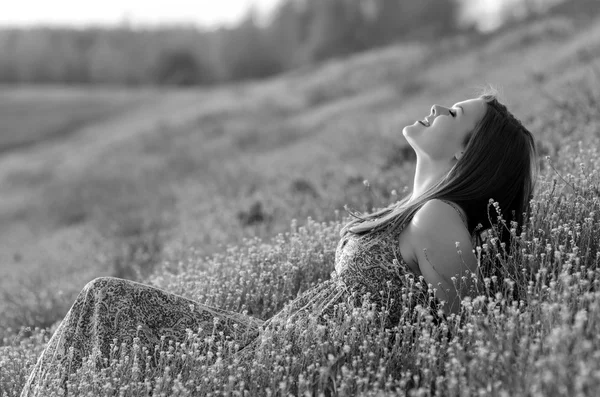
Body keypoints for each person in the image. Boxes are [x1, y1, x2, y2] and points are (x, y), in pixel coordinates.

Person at [20, 89, 537, 396]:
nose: (435, 106)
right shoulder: (417, 206)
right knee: (104, 313)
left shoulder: (439, 219)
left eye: (453, 113)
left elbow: (470, 342)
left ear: (467, 155)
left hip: (278, 364)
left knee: (104, 301)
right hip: (271, 340)